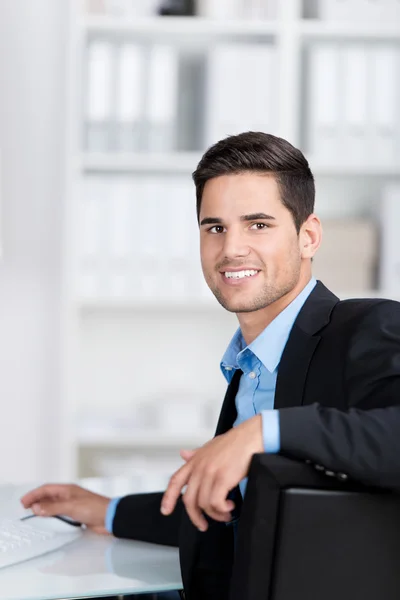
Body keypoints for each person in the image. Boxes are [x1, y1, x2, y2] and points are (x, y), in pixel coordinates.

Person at [21, 132, 400, 600]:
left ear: (309, 236)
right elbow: (233, 512)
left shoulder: (368, 326)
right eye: (215, 228)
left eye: (258, 224)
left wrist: (265, 431)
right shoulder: (247, 366)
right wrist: (109, 510)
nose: (231, 249)